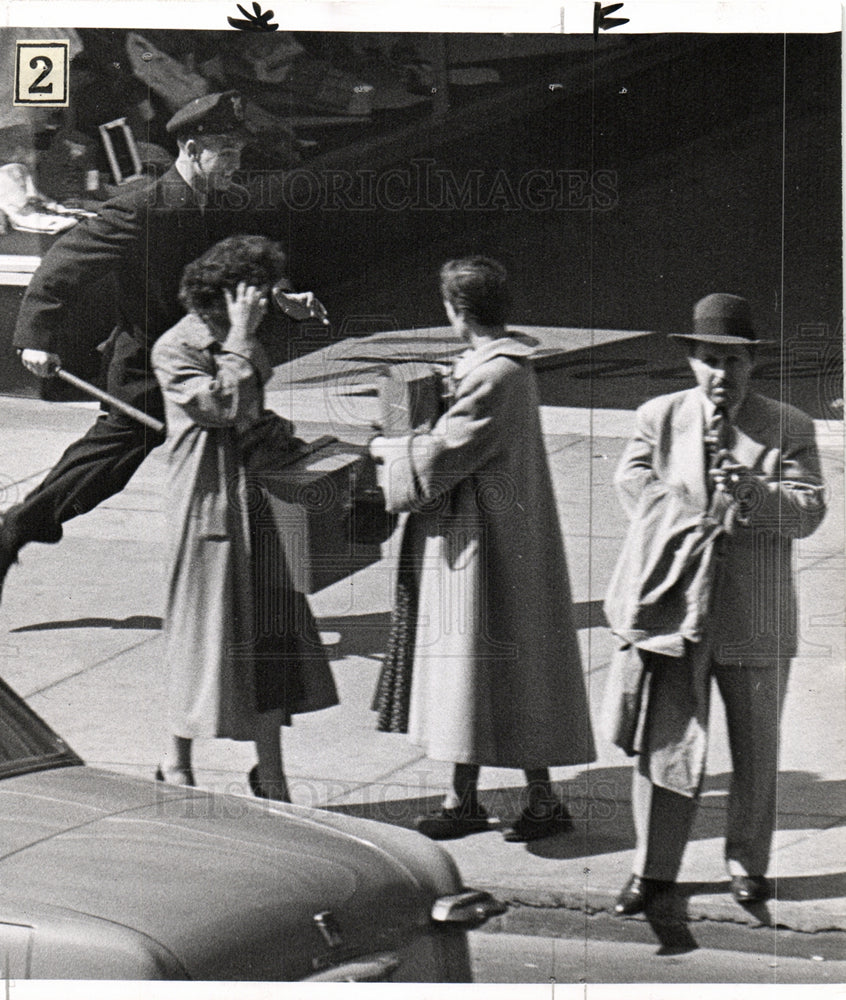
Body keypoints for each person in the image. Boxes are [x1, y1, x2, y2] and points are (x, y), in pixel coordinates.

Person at [0, 91, 284, 611]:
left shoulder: (224, 199)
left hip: (204, 354)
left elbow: (236, 268)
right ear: (190, 149)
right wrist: (35, 337)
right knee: (112, 460)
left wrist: (279, 294)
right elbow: (63, 264)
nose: (235, 164)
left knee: (235, 452)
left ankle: (244, 588)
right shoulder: (143, 206)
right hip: (146, 362)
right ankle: (16, 527)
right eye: (224, 152)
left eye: (238, 152)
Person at [603, 293, 826, 916]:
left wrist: (753, 493)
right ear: (692, 361)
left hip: (755, 621)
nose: (720, 374)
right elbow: (632, 484)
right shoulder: (658, 416)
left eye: (732, 361)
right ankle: (653, 870)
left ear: (751, 364)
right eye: (709, 360)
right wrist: (691, 511)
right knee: (665, 744)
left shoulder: (790, 426)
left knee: (756, 753)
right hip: (678, 614)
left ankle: (747, 866)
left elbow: (809, 513)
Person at [369, 256, 594, 841]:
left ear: (455, 312)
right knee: (476, 673)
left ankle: (530, 800)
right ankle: (470, 796)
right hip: (487, 536)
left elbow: (446, 454)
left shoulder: (497, 375)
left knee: (494, 670)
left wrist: (390, 451)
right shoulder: (495, 366)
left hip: (486, 543)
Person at [150, 234, 338, 796]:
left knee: (269, 646)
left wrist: (277, 432)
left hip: (257, 506)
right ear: (227, 297)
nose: (262, 306)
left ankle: (273, 774)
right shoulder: (175, 347)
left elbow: (249, 412)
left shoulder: (243, 340)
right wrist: (238, 339)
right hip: (207, 511)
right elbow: (219, 406)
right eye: (255, 295)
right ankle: (176, 761)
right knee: (198, 642)